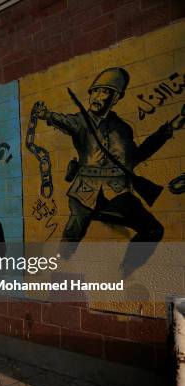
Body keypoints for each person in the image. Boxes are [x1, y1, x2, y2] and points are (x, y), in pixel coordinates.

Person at [32, 67, 185, 273]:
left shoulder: (123, 128)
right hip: (84, 191)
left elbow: (136, 157)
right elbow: (63, 120)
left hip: (117, 191)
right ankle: (59, 262)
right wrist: (46, 114)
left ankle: (126, 270)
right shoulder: (80, 121)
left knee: (154, 229)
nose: (97, 96)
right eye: (95, 91)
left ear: (115, 98)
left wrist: (169, 129)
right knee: (72, 235)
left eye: (104, 92)